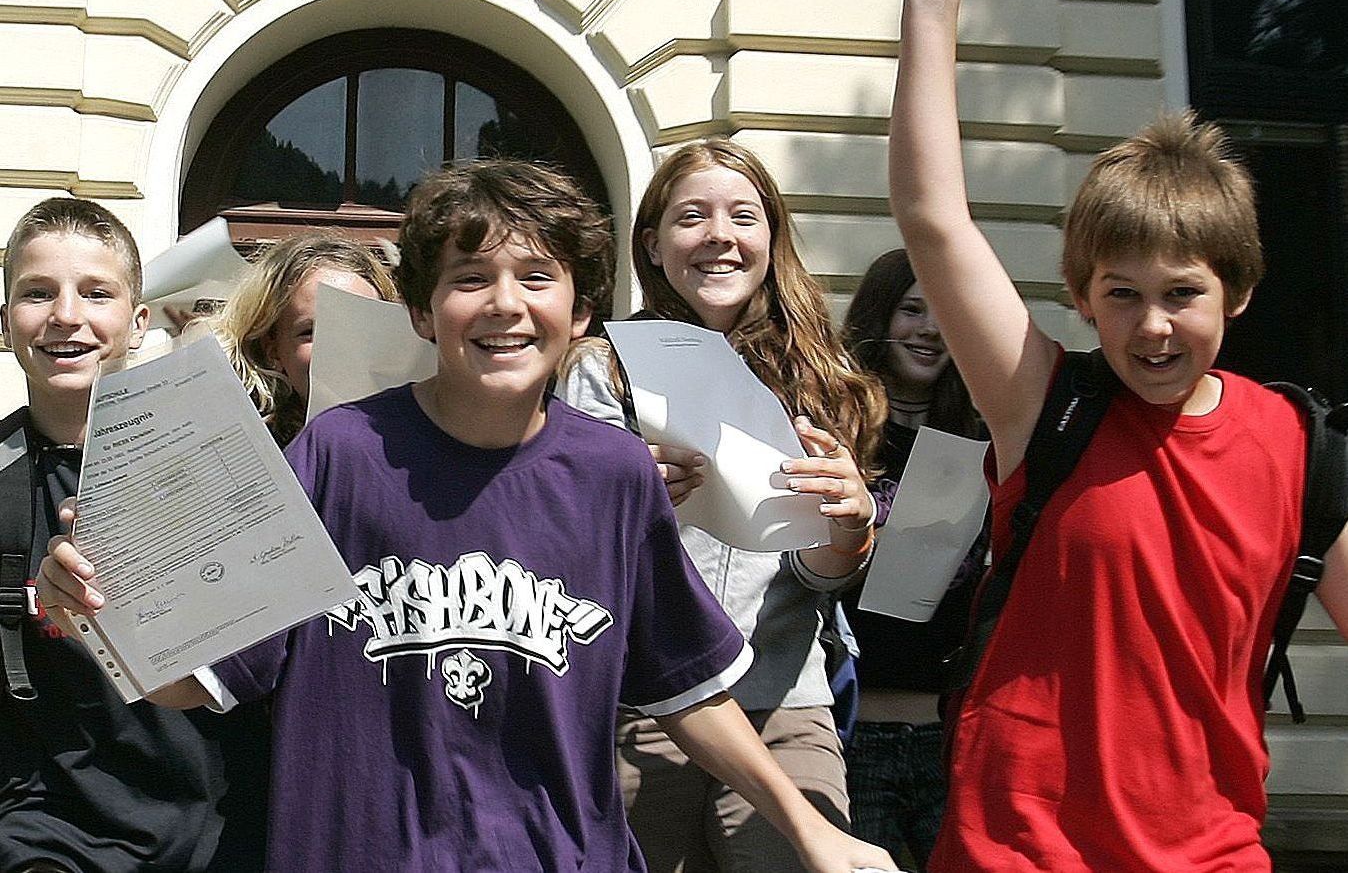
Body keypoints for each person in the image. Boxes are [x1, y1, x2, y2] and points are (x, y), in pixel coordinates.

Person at [39, 162, 897, 873]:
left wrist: (810, 827)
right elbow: (202, 679)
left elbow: (688, 687)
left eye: (536, 277)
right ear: (420, 311)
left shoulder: (615, 475)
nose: (504, 304)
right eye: (468, 278)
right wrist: (98, 610)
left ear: (582, 310)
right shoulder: (338, 455)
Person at [887, 0, 1348, 872]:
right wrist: (931, 3)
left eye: (1182, 294)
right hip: (1016, 852)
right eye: (1121, 294)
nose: (1151, 325)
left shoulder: (1304, 452)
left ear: (1239, 291)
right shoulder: (1043, 404)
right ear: (1081, 299)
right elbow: (934, 222)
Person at [559, 139, 889, 872]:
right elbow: (570, 563)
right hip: (638, 713)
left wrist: (850, 527)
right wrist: (619, 503)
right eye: (692, 217)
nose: (719, 234)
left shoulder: (821, 378)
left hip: (783, 704)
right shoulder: (600, 366)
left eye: (743, 215)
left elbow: (820, 576)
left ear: (771, 236)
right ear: (653, 242)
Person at [0, 198, 263, 873]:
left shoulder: (219, 457)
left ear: (139, 320)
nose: (65, 314)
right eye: (36, 292)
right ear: (6, 321)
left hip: (219, 831)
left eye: (96, 292)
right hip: (48, 832)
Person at [838, 248, 982, 871]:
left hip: (949, 741)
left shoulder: (985, 441)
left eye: (943, 313)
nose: (928, 329)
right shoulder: (831, 432)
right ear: (879, 315)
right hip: (852, 737)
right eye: (911, 310)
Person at [210, 232, 397, 446]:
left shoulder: (425, 440)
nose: (340, 349)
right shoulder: (253, 453)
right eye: (311, 332)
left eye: (362, 329)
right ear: (273, 350)